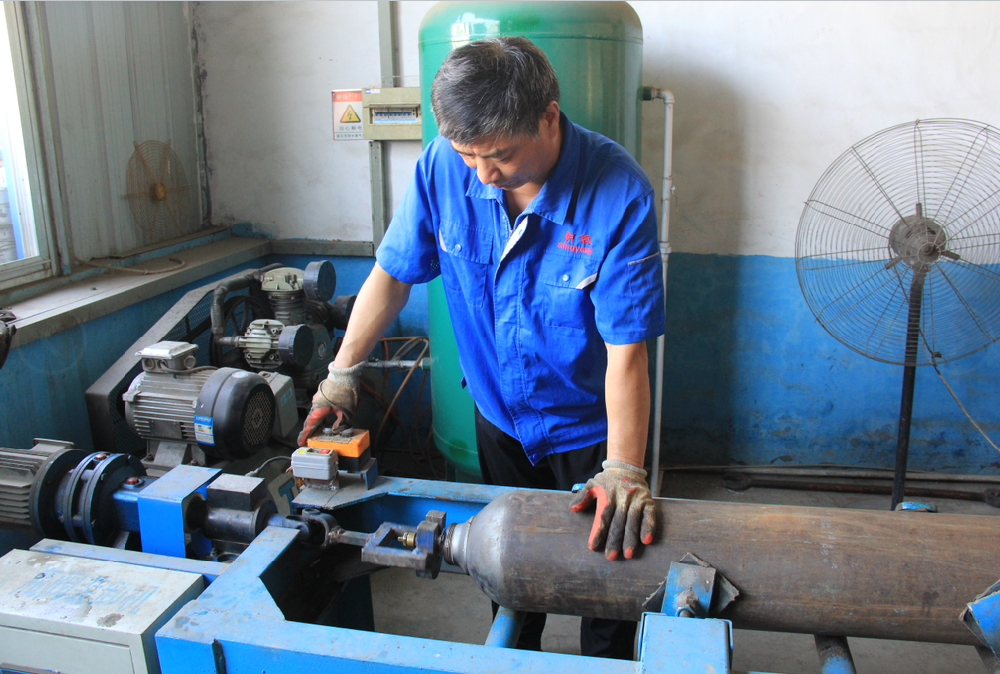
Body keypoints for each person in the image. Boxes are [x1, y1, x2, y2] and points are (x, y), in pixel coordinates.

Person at [299, 36, 665, 659]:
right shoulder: (442, 166)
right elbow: (391, 276)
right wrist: (341, 374)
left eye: (499, 156)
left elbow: (627, 350)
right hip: (499, 418)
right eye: (468, 156)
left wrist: (625, 468)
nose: (483, 175)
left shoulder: (618, 194)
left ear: (548, 117)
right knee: (508, 571)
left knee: (608, 583)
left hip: (591, 430)